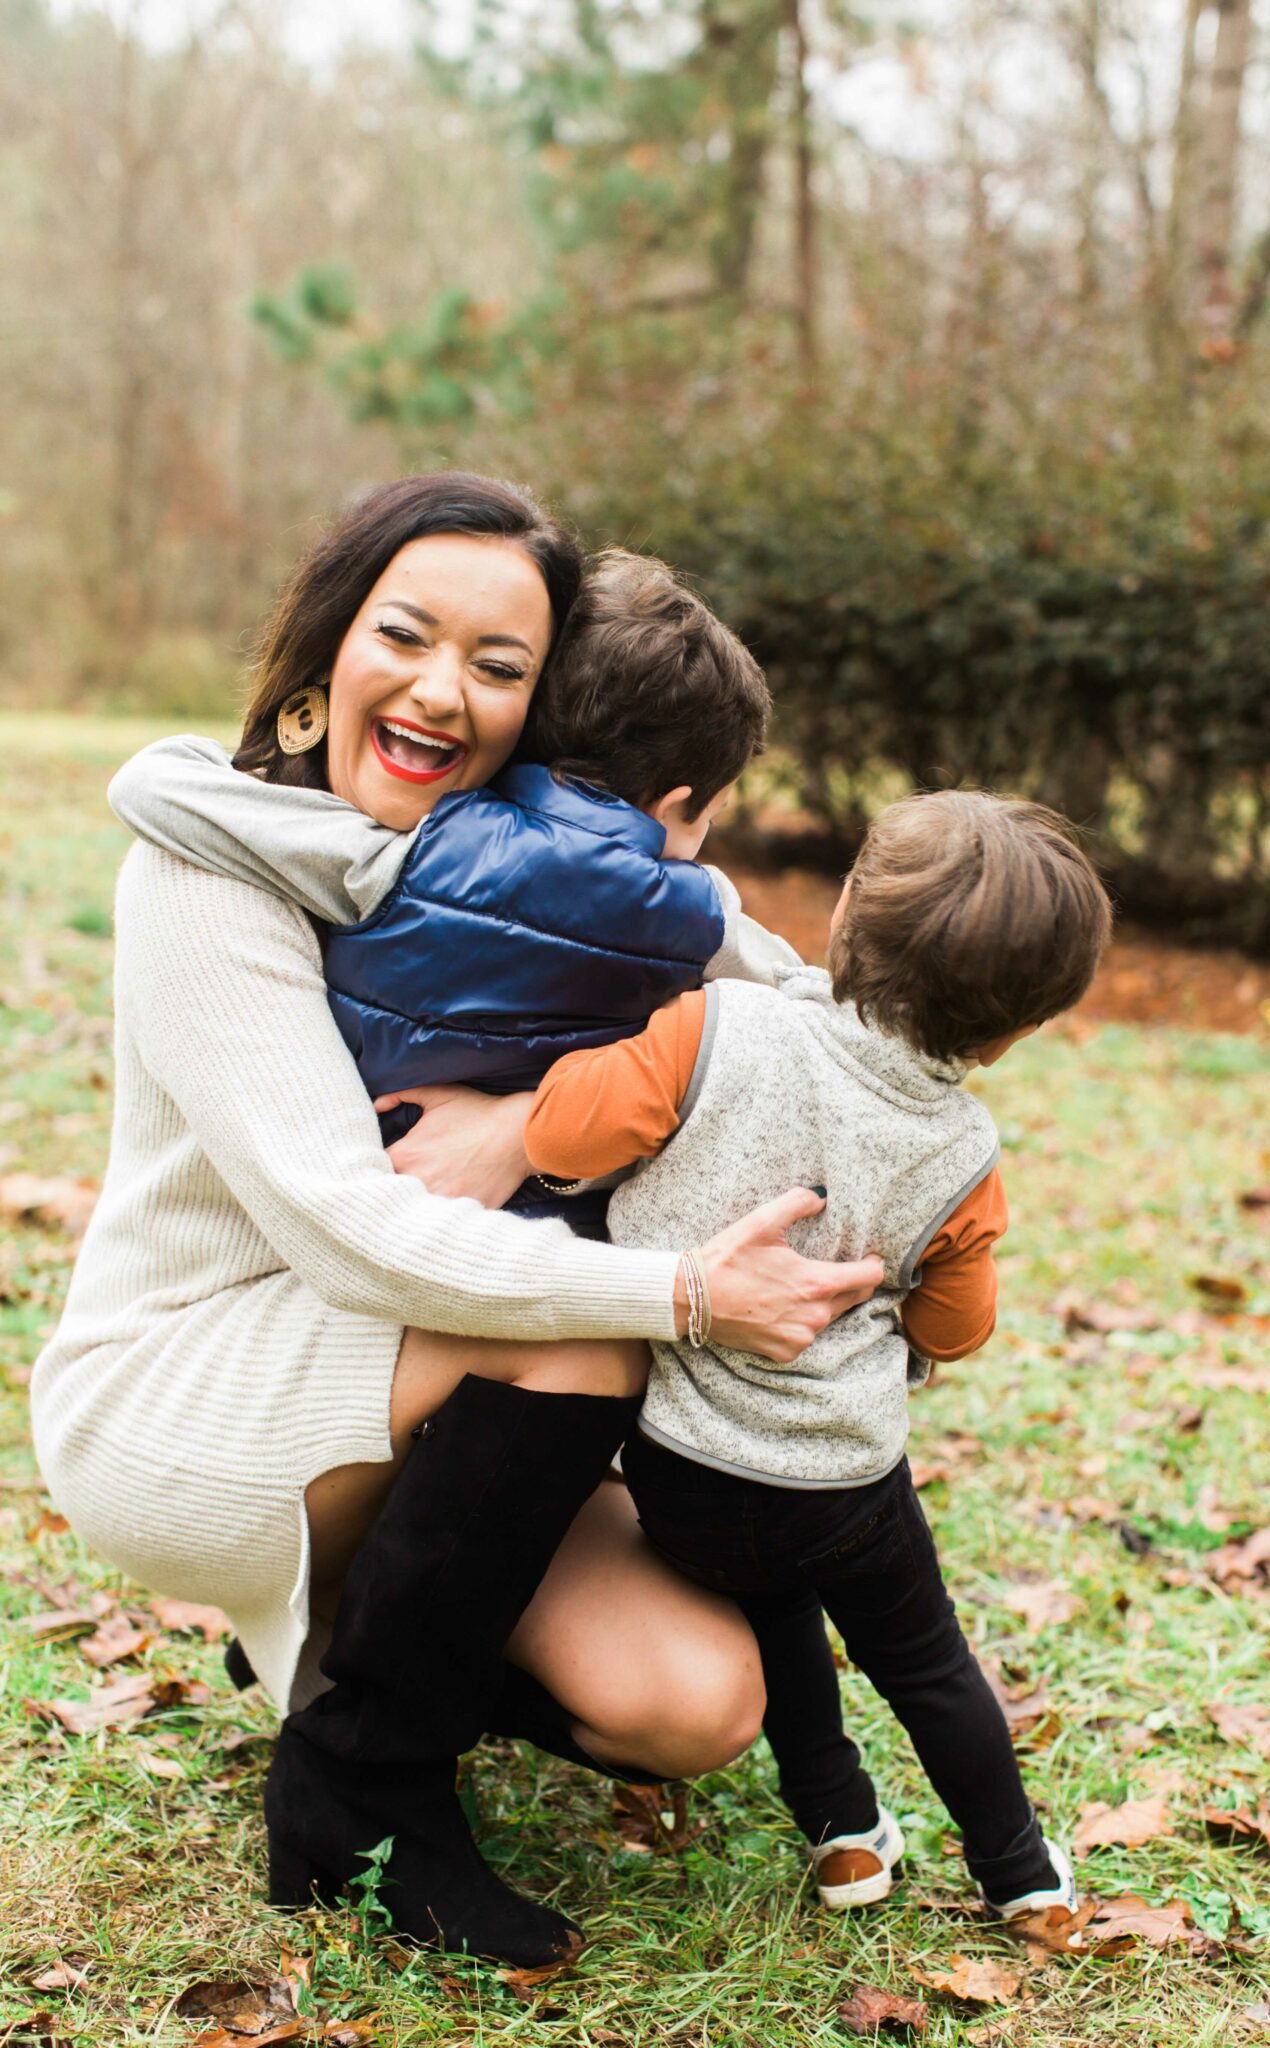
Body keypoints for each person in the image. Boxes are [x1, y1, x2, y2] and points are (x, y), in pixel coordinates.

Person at [30, 472, 883, 1968]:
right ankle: (361, 1792)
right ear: (325, 647)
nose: (442, 691)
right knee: (575, 1331)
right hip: (178, 1393)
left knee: (695, 1703)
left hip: (405, 1400)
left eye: (498, 668)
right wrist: (680, 1293)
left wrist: (532, 1121)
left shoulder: (530, 871)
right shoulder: (210, 857)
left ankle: (367, 1643)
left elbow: (794, 1017)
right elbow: (347, 1229)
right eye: (406, 636)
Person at [521, 790, 1113, 1919]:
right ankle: (1023, 1876)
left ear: (844, 915)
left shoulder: (716, 1027)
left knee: (778, 1617)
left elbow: (559, 1135)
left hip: (685, 1468)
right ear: (1012, 1034)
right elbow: (955, 1329)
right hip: (843, 1479)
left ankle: (844, 1835)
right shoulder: (962, 1151)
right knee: (927, 1664)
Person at [107, 546, 776, 1239]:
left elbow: (157, 787)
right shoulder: (698, 919)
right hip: (559, 1233)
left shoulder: (410, 851)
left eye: (497, 668)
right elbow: (811, 1015)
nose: (439, 693)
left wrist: (522, 1132)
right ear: (678, 804)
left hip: (398, 1204)